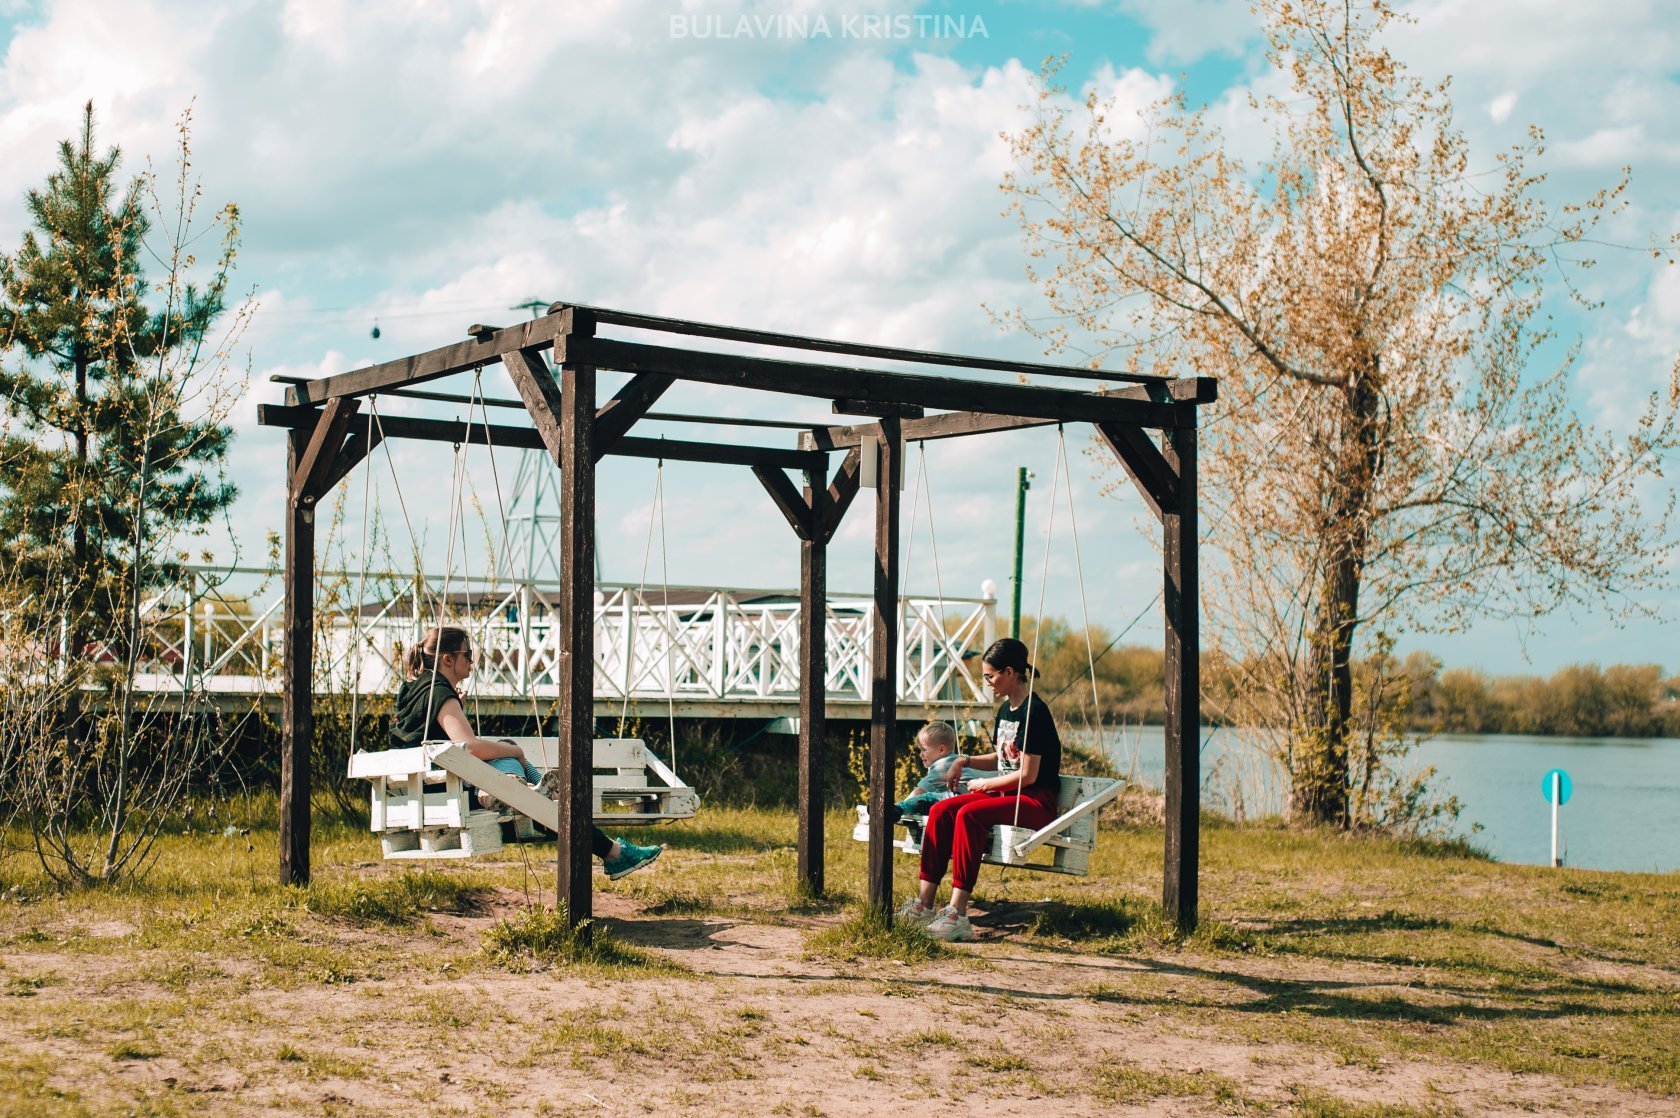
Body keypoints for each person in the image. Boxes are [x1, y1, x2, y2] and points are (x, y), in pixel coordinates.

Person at [391, 625, 662, 880]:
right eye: (468, 655)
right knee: (517, 767)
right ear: (447, 660)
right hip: (447, 793)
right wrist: (517, 751)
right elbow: (469, 747)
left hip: (426, 789)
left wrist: (459, 709)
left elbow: (427, 735)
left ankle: (529, 790)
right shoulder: (438, 692)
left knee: (525, 785)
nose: (472, 662)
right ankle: (608, 848)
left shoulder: (413, 690)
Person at [898, 637, 1062, 942]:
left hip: (1035, 802)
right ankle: (924, 903)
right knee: (941, 809)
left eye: (991, 676)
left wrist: (985, 784)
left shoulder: (1034, 712)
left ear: (1010, 672)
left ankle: (958, 914)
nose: (987, 682)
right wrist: (964, 760)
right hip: (1008, 797)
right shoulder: (1006, 710)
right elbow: (1002, 759)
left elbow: (1027, 774)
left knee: (970, 814)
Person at [885, 721, 986, 824]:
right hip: (972, 800)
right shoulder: (955, 760)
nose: (920, 755)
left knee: (926, 798)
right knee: (933, 798)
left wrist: (901, 806)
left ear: (941, 749)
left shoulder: (942, 765)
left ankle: (895, 810)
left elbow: (919, 791)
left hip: (960, 797)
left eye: (924, 750)